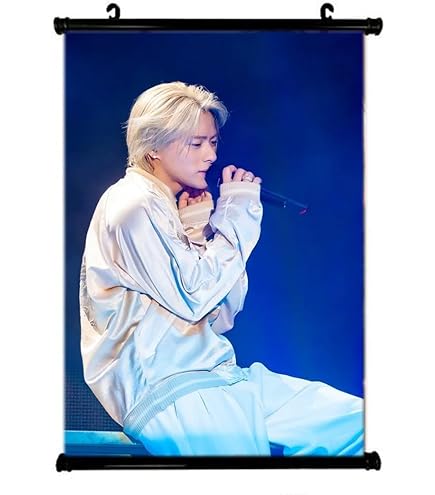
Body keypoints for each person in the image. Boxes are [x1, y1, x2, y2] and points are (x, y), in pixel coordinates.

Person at [79, 81, 363, 456]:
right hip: (174, 389)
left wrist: (202, 234)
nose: (211, 155)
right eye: (196, 144)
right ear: (153, 147)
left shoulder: (164, 208)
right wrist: (235, 215)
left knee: (357, 425)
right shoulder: (131, 204)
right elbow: (194, 297)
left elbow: (220, 314)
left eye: (213, 142)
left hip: (220, 375)